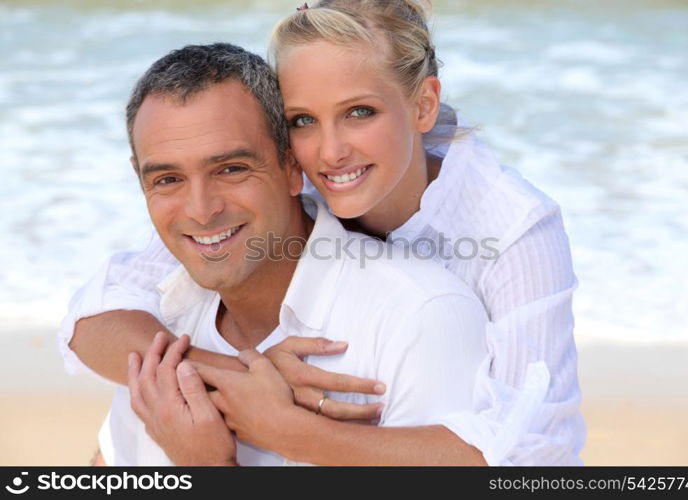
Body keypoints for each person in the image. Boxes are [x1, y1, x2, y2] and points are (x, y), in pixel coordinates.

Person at [59, 0, 585, 465]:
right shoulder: (280, 183)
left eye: (361, 112)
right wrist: (238, 375)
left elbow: (531, 452)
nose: (330, 152)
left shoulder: (508, 227)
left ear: (423, 106)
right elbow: (95, 312)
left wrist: (290, 430)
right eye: (303, 120)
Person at [96, 42, 488, 466]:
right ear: (140, 181)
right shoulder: (165, 323)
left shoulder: (419, 318)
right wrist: (230, 376)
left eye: (231, 170)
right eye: (168, 179)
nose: (201, 210)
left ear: (291, 167)